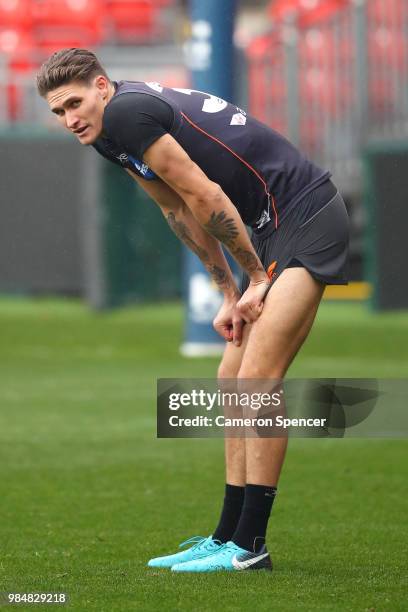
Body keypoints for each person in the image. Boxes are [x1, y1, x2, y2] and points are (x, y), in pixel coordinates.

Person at [37, 48, 349, 573]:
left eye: (74, 102)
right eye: (57, 112)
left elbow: (208, 195)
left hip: (309, 215)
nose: (69, 119)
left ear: (102, 87)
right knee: (232, 377)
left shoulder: (125, 113)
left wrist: (255, 279)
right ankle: (225, 535)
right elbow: (176, 208)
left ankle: (251, 547)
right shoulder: (108, 135)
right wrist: (229, 293)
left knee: (257, 381)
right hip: (274, 230)